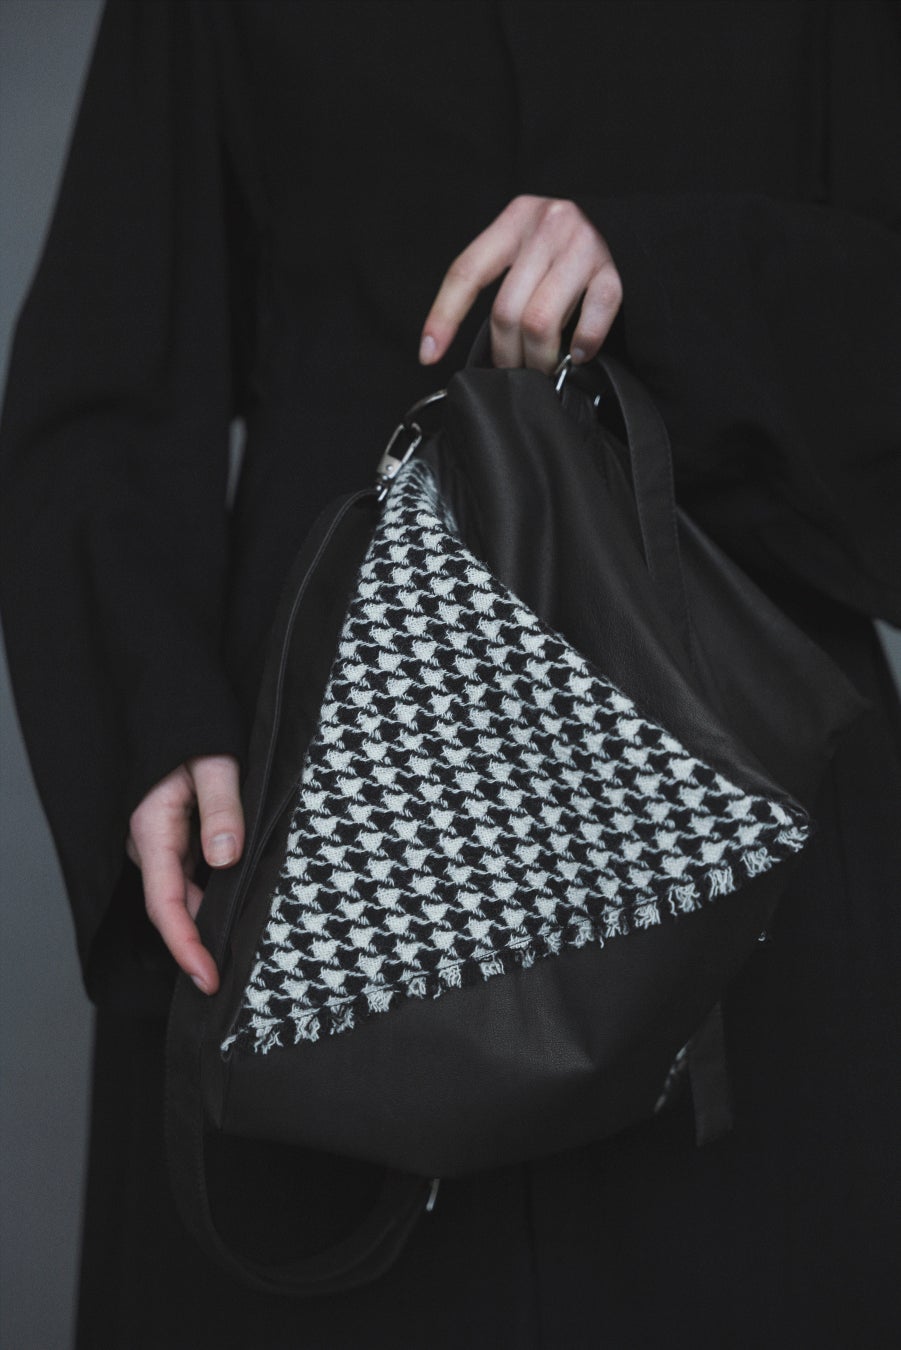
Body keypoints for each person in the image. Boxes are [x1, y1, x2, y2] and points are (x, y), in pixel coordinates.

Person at [1, 2, 899, 1346]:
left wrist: (663, 272)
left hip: (741, 825)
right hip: (308, 804)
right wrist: (151, 710)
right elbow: (106, 378)